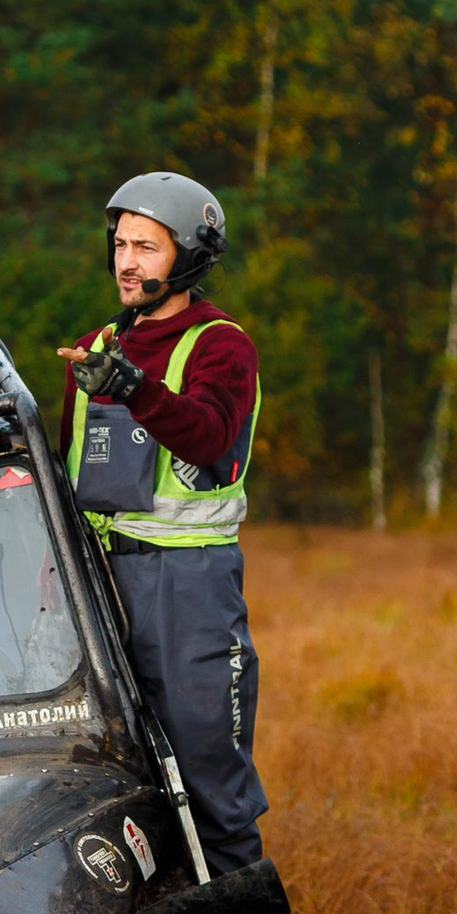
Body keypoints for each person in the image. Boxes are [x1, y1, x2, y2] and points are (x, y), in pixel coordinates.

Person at [55, 172, 267, 875]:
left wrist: (135, 388)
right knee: (98, 782)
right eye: (120, 244)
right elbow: (63, 473)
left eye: (146, 246)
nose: (126, 262)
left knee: (211, 790)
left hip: (187, 590)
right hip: (94, 587)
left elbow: (207, 437)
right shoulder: (91, 351)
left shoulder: (220, 346)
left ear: (191, 255)